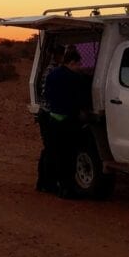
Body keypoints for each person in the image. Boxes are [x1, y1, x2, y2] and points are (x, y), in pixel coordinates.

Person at [37, 46, 92, 197]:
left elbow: (47, 94)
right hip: (68, 121)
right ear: (72, 62)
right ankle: (67, 189)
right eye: (79, 64)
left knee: (54, 153)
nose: (80, 67)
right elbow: (80, 98)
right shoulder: (74, 78)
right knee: (69, 155)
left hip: (53, 119)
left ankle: (48, 184)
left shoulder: (52, 74)